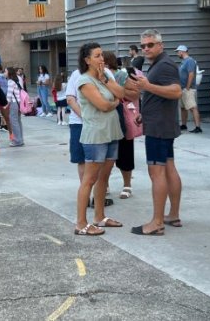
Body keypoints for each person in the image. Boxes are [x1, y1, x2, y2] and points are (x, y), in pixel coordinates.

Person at [131, 29, 183, 235]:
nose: (146, 49)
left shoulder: (165, 65)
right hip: (160, 123)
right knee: (169, 167)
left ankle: (157, 222)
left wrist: (147, 86)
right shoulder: (159, 65)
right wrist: (145, 113)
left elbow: (176, 91)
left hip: (159, 128)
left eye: (150, 45)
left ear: (160, 45)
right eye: (143, 46)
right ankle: (173, 214)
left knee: (157, 172)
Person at [73, 43, 125, 236]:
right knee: (90, 179)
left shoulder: (105, 77)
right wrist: (114, 103)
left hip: (111, 133)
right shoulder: (84, 81)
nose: (102, 59)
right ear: (87, 60)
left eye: (102, 55)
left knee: (104, 177)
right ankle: (80, 223)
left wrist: (105, 80)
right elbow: (103, 105)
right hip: (95, 135)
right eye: (97, 56)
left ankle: (99, 216)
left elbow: (121, 94)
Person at [108, 51, 140, 199]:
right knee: (104, 155)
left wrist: (118, 91)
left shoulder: (121, 76)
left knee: (125, 152)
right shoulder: (93, 77)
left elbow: (135, 93)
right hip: (103, 121)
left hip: (120, 118)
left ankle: (127, 185)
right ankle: (105, 184)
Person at [176, 45, 202, 133]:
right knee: (183, 107)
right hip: (182, 88)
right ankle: (184, 125)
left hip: (188, 89)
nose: (177, 54)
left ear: (182, 51)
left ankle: (198, 127)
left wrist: (187, 87)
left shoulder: (190, 61)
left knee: (192, 107)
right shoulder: (183, 62)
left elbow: (191, 74)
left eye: (178, 52)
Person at [6, 67, 25, 146]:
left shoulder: (10, 81)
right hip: (18, 102)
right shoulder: (16, 80)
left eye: (5, 71)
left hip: (13, 103)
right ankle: (20, 139)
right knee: (18, 121)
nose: (4, 73)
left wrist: (6, 104)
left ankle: (17, 140)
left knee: (14, 122)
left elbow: (9, 95)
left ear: (9, 73)